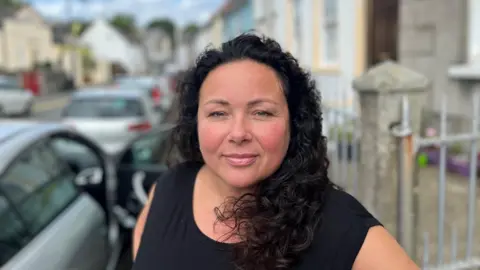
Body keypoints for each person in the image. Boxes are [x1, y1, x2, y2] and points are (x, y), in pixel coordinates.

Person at [131, 34, 419, 270]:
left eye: (262, 112)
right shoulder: (169, 188)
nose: (238, 133)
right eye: (218, 113)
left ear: (294, 123)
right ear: (196, 122)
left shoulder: (337, 223)